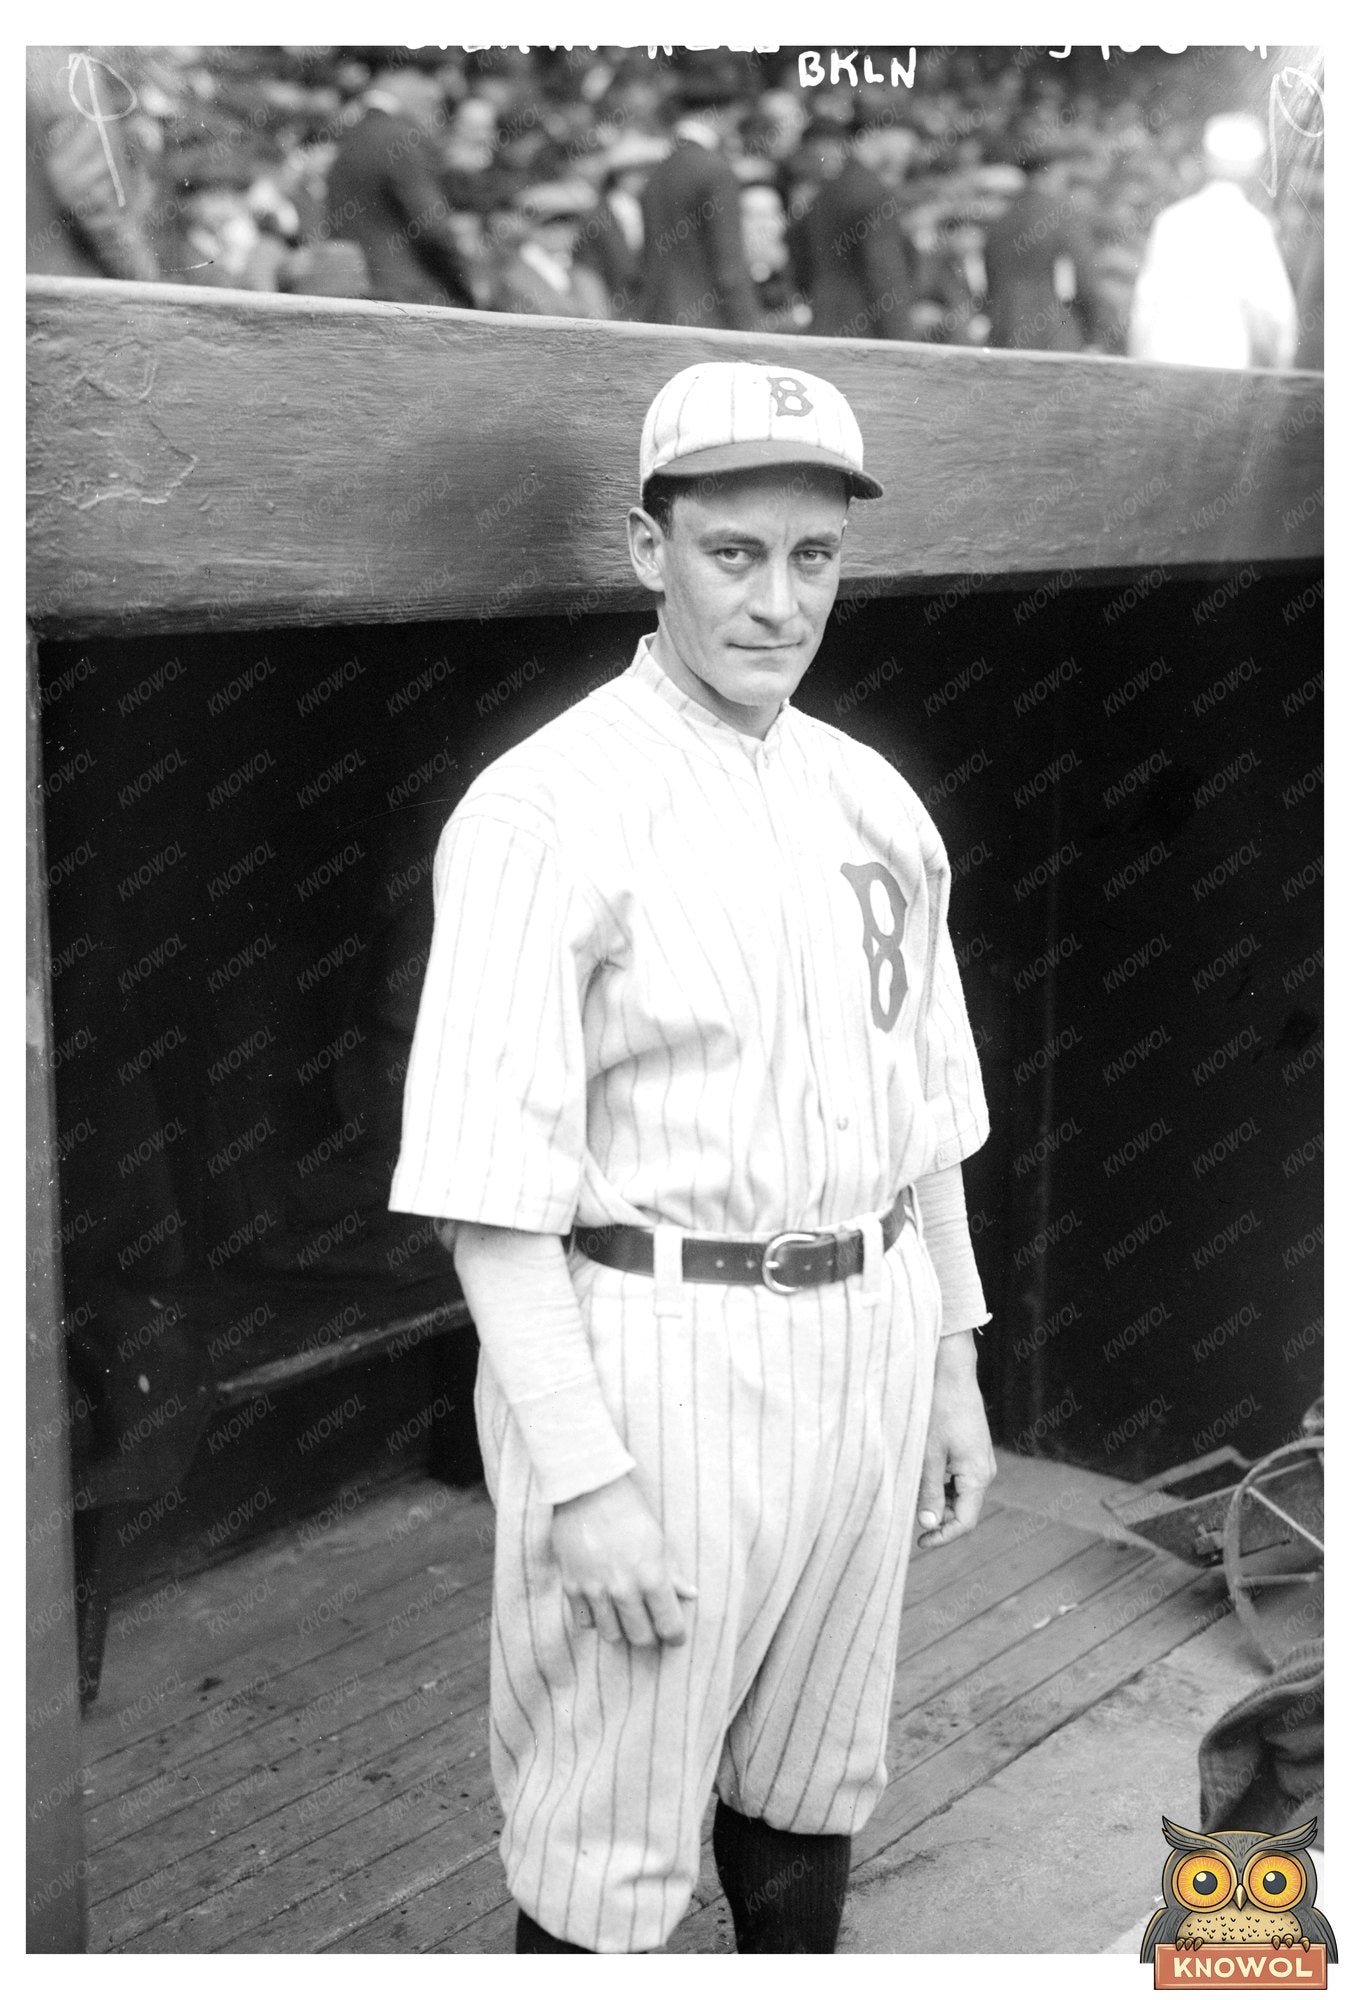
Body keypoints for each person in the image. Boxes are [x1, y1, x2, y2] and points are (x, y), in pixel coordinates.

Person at [390, 360, 996, 1956]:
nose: (777, 600)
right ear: (647, 548)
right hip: (655, 1351)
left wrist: (950, 1356)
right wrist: (584, 1484)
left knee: (814, 1773)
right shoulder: (539, 809)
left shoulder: (873, 795)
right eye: (734, 551)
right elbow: (487, 1201)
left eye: (814, 558)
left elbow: (923, 1111)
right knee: (609, 1827)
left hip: (866, 1321)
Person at [1127, 112, 1297, 369]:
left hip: (1163, 365)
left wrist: (1137, 363)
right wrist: (1281, 364)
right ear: (1256, 168)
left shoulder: (1171, 220)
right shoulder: (1254, 227)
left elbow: (1144, 306)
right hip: (1223, 368)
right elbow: (1274, 315)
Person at [322, 56, 474, 310]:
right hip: (409, 299)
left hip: (356, 294)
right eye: (426, 77)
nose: (434, 92)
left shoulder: (349, 134)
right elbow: (433, 227)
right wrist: (468, 290)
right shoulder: (402, 138)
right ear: (399, 77)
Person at [637, 66, 760, 331]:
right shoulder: (715, 170)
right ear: (724, 113)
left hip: (657, 319)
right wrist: (752, 334)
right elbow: (729, 268)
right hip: (707, 324)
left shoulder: (660, 171)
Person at [795, 113, 916, 341]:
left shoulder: (825, 193)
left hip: (825, 323)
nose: (905, 158)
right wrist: (904, 342)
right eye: (904, 150)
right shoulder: (872, 194)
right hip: (867, 331)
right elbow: (884, 274)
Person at [490, 182, 611, 319]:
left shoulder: (586, 276)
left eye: (571, 225)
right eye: (554, 224)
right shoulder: (510, 275)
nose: (566, 233)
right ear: (533, 228)